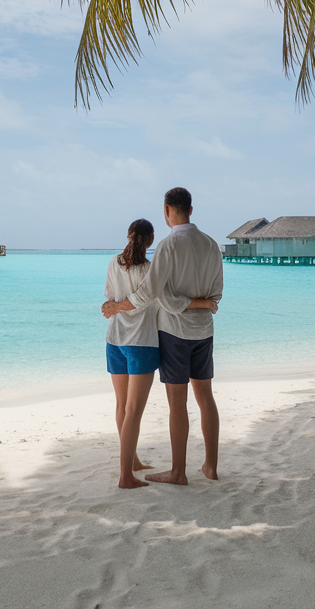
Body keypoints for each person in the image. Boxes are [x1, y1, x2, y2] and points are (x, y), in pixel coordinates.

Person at [103, 187, 223, 483]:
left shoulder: (169, 246)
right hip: (204, 331)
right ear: (191, 210)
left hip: (173, 332)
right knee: (206, 397)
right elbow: (217, 293)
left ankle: (178, 471)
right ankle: (210, 466)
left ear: (167, 210)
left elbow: (158, 297)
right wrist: (202, 303)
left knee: (177, 402)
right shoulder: (211, 245)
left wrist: (118, 306)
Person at [102, 219, 160, 489]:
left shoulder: (114, 262)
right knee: (134, 411)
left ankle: (133, 461)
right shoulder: (150, 270)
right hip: (141, 342)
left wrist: (115, 308)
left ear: (128, 236)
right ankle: (126, 476)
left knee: (122, 407)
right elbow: (146, 301)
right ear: (149, 241)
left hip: (114, 340)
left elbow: (110, 297)